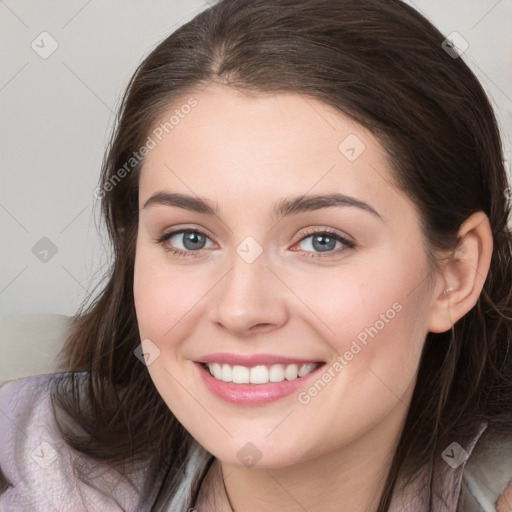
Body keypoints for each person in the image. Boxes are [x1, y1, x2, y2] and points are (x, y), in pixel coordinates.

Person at [1, 0, 511, 510]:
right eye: (190, 238)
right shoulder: (40, 471)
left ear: (455, 274)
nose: (241, 310)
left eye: (322, 241)